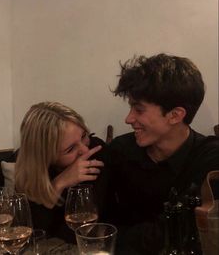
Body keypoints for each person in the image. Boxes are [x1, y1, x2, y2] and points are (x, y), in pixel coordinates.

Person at [105, 53, 219, 254]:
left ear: (175, 115)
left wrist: (118, 236)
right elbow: (93, 223)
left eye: (139, 110)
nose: (128, 119)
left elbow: (182, 233)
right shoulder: (120, 151)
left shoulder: (210, 158)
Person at [15, 102, 106, 243]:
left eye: (83, 136)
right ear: (46, 156)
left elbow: (94, 228)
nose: (85, 150)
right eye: (70, 149)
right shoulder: (32, 174)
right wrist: (59, 184)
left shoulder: (98, 153)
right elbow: (34, 233)